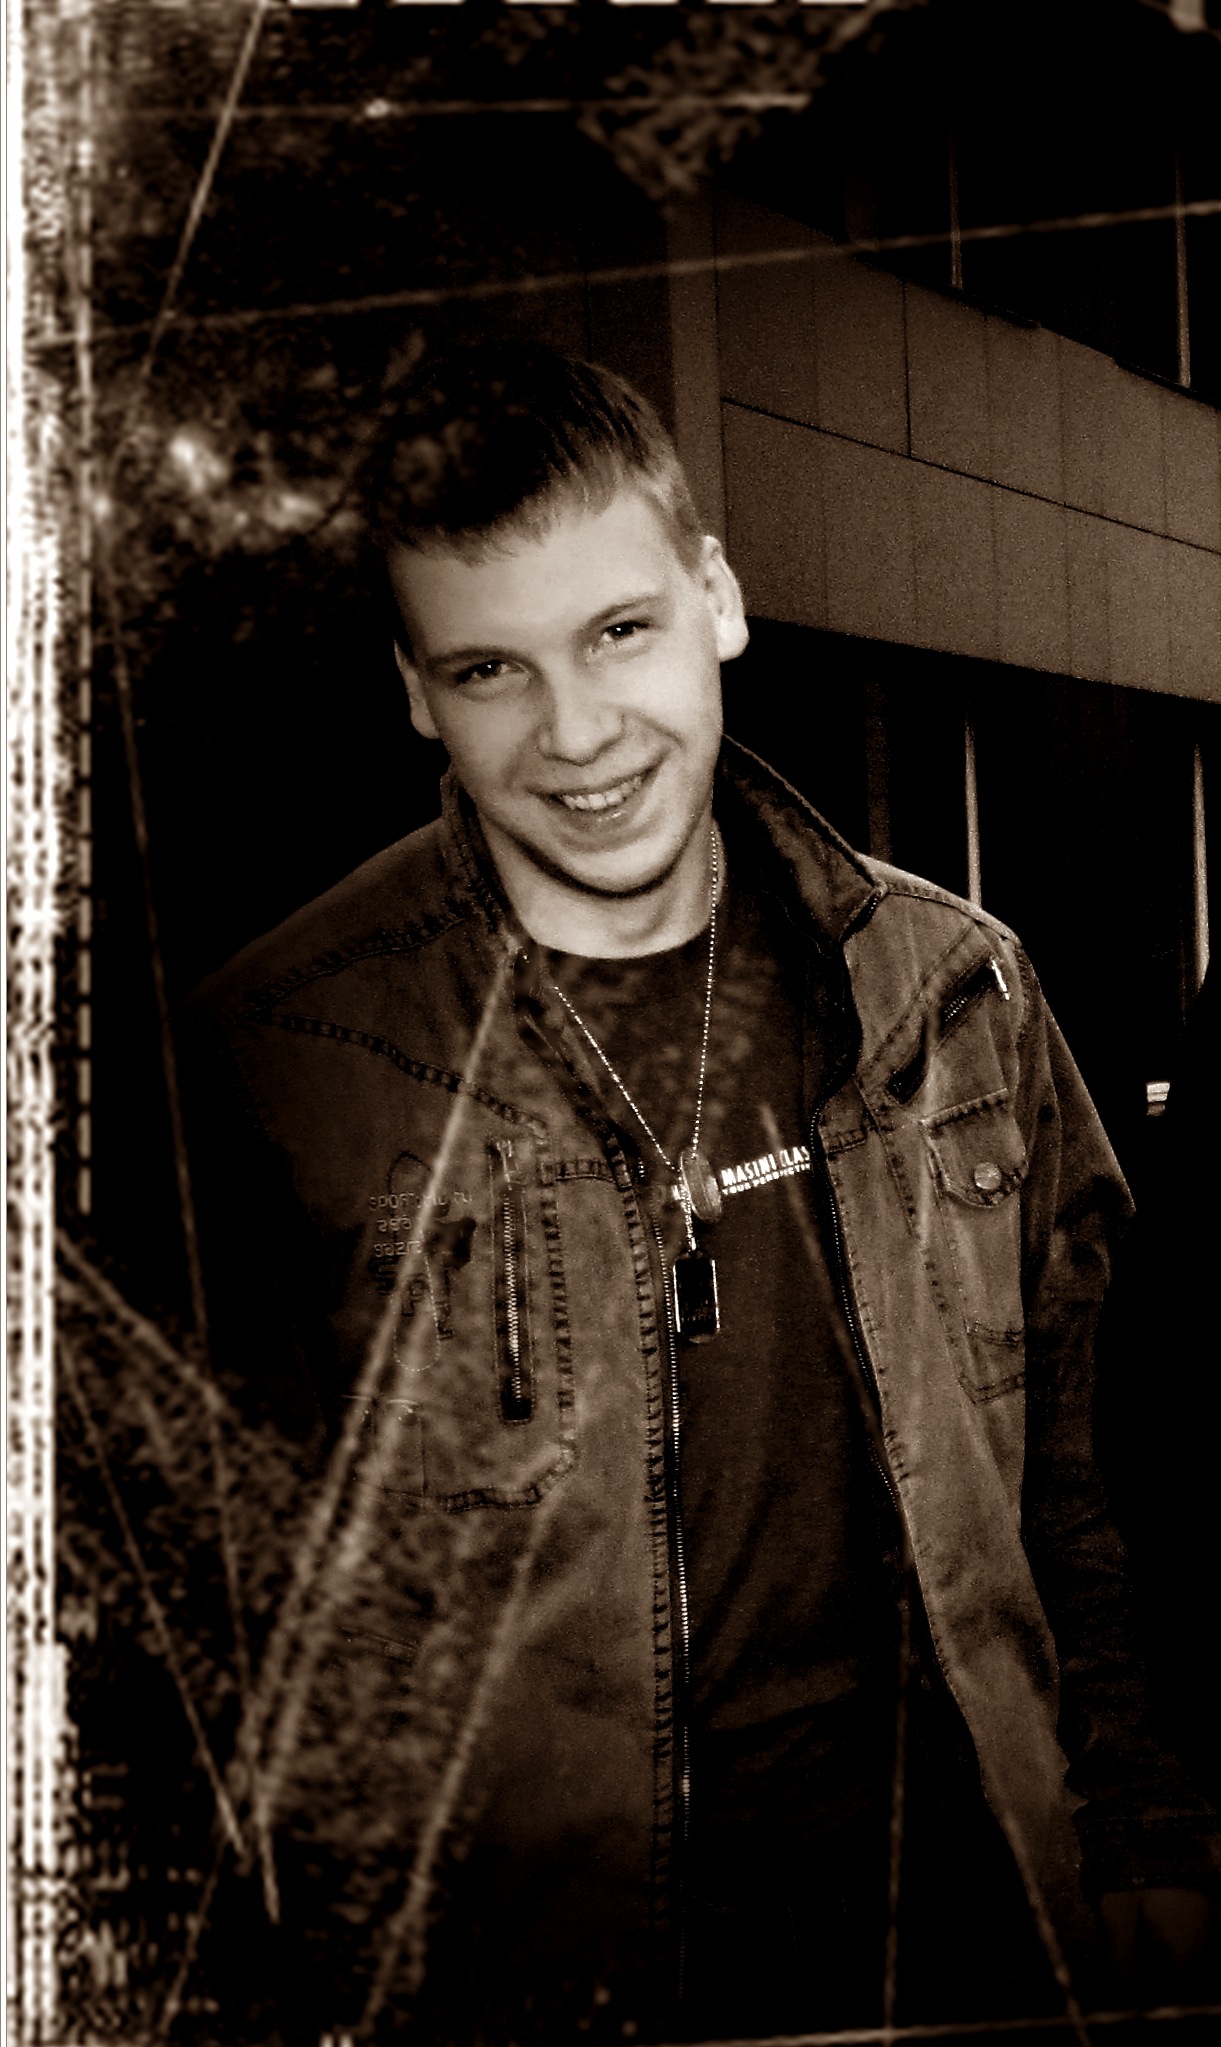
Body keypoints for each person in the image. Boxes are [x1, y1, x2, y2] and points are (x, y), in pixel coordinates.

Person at [188, 345, 1218, 2044]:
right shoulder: (276, 1064)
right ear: (414, 692)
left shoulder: (953, 987)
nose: (578, 734)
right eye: (489, 667)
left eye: (618, 632)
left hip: (980, 1932)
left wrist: (1148, 1824)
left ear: (717, 602)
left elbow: (1084, 1472)